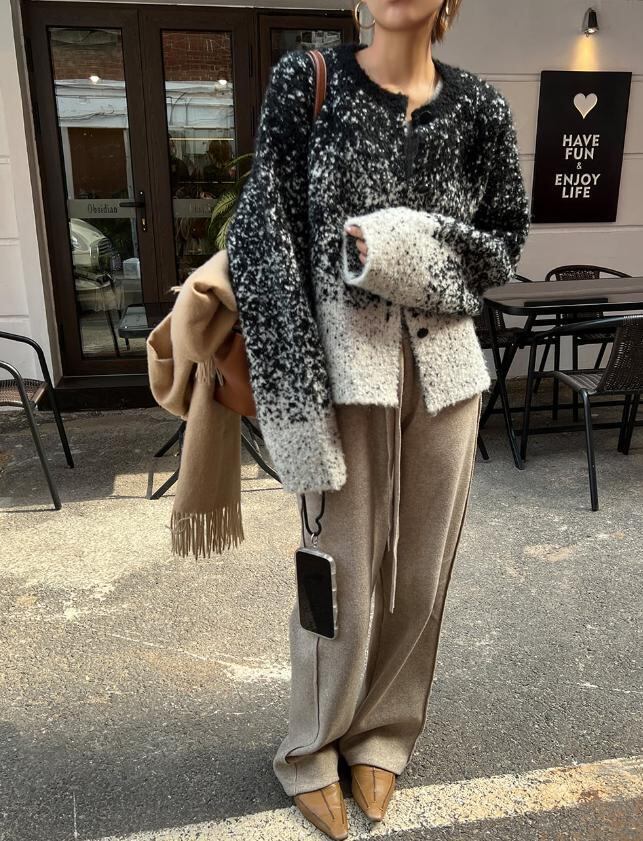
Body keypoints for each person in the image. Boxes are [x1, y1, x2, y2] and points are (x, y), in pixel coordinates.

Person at [225, 2, 531, 838]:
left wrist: (398, 246)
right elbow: (265, 236)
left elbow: (503, 241)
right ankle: (311, 743)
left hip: (446, 376)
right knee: (335, 576)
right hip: (338, 373)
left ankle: (383, 732)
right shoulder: (309, 80)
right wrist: (293, 402)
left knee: (420, 573)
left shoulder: (480, 105)